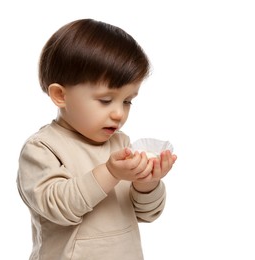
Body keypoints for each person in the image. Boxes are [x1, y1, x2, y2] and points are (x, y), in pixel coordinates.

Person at [17, 18, 177, 260]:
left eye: (127, 101)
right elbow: (59, 207)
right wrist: (111, 173)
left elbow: (146, 214)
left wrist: (147, 183)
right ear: (61, 95)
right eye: (105, 100)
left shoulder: (120, 144)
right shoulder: (42, 148)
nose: (119, 113)